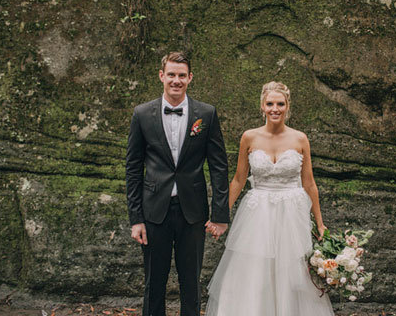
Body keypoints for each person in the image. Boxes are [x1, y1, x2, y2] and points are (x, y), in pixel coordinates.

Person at [204, 81, 334, 316]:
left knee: (292, 271)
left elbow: (309, 184)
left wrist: (320, 223)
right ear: (262, 106)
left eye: (280, 104)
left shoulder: (300, 139)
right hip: (258, 212)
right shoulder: (249, 137)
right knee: (254, 270)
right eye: (270, 104)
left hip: (292, 213)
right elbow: (238, 180)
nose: (275, 109)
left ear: (287, 107)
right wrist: (220, 215)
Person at [126, 52, 230, 316]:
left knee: (191, 284)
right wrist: (136, 219)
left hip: (192, 211)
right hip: (154, 212)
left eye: (182, 75)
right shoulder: (142, 114)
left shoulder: (206, 114)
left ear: (190, 78)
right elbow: (133, 169)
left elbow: (219, 167)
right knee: (154, 283)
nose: (176, 80)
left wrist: (220, 215)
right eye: (171, 74)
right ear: (161, 76)